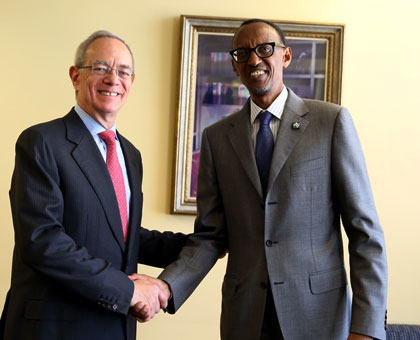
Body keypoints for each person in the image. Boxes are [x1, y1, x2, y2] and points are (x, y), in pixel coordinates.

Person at [157, 19, 388, 340]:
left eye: (265, 49)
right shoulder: (216, 138)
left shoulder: (330, 122)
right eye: (242, 53)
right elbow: (210, 236)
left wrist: (367, 326)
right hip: (245, 317)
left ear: (286, 56)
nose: (253, 60)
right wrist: (167, 285)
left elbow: (366, 234)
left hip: (318, 316)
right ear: (235, 67)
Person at [0, 30, 187, 340]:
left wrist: (205, 243)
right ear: (75, 76)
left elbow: (121, 235)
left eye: (123, 71)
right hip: (53, 327)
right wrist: (128, 291)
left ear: (131, 83)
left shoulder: (130, 154)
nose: (113, 79)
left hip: (114, 326)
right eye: (100, 68)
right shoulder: (41, 142)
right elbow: (42, 239)